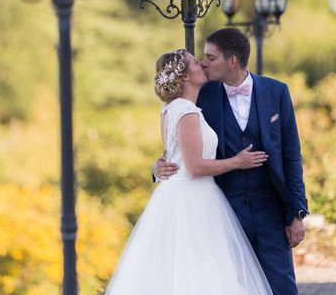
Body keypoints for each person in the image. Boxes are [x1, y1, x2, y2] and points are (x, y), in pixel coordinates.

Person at [153, 28, 308, 295]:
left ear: (232, 61)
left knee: (282, 287)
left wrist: (297, 212)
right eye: (202, 58)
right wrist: (157, 168)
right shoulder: (202, 94)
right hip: (224, 213)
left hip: (271, 211)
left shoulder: (277, 92)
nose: (203, 63)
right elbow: (178, 143)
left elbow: (291, 156)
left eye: (210, 58)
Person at [106, 49, 274, 295]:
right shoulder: (186, 111)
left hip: (178, 195)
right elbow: (195, 167)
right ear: (185, 77)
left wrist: (157, 165)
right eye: (195, 62)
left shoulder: (170, 109)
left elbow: (169, 157)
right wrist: (237, 161)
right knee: (200, 269)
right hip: (193, 199)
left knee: (187, 270)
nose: (202, 65)